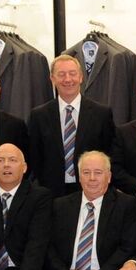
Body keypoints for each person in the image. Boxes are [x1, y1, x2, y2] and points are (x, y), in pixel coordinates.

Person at [26, 55, 116, 197]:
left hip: (91, 191)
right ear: (52, 79)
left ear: (80, 77)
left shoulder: (102, 114)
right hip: (51, 192)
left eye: (72, 74)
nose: (67, 79)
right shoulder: (39, 115)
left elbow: (109, 154)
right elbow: (35, 157)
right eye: (61, 74)